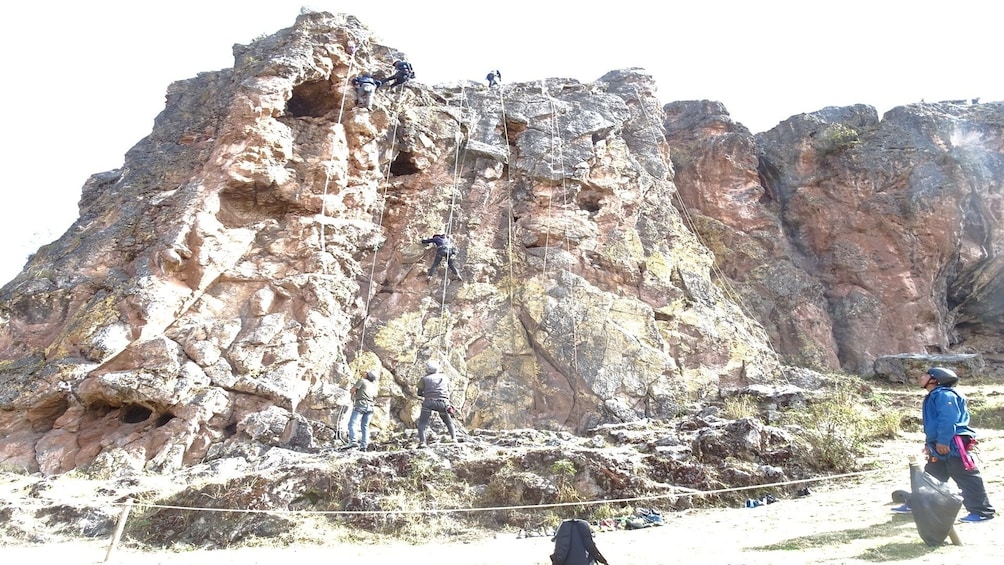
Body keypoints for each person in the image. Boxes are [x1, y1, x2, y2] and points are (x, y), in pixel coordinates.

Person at [894, 367, 996, 522]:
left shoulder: (944, 395)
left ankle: (982, 511)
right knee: (932, 475)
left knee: (965, 475)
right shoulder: (934, 395)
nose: (921, 377)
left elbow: (948, 419)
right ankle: (919, 504)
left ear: (935, 379)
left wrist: (943, 440)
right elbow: (935, 423)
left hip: (952, 442)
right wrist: (931, 444)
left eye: (925, 375)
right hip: (941, 442)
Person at [416, 359, 457, 447]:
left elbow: (419, 393)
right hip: (443, 403)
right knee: (448, 422)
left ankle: (422, 442)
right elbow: (447, 389)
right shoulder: (445, 377)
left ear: (427, 369)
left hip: (429, 402)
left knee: (422, 423)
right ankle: (454, 439)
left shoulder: (424, 379)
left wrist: (427, 393)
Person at [346, 370, 379, 451]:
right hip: (370, 406)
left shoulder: (362, 381)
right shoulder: (373, 385)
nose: (364, 374)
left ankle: (353, 441)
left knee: (352, 424)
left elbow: (352, 390)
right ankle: (364, 446)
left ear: (367, 375)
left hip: (361, 405)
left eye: (366, 373)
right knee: (365, 427)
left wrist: (354, 393)